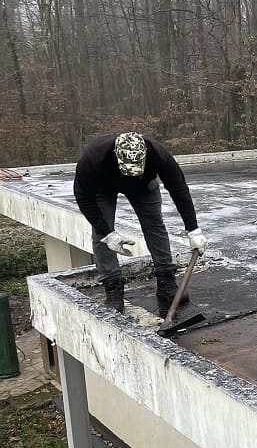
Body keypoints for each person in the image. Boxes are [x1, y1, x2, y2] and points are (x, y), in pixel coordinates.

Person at [73, 132, 208, 313]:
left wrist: (193, 230)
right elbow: (83, 197)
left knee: (154, 224)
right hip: (102, 187)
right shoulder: (93, 158)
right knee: (101, 235)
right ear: (115, 155)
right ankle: (113, 287)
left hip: (142, 184)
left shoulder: (158, 154)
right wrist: (107, 232)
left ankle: (166, 281)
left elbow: (179, 188)